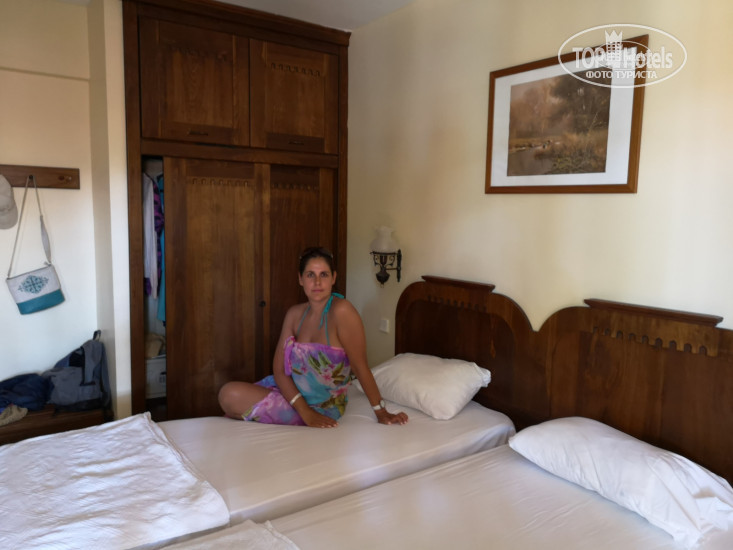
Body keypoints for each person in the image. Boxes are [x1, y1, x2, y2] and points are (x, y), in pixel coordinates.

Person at [218, 246, 408, 428]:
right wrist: (305, 412)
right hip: (292, 396)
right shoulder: (294, 314)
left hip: (323, 406)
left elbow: (360, 367)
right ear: (300, 279)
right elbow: (279, 371)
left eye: (323, 274)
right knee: (227, 394)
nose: (317, 282)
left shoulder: (342, 311)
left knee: (231, 396)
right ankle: (282, 413)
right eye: (310, 275)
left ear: (333, 278)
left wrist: (381, 411)